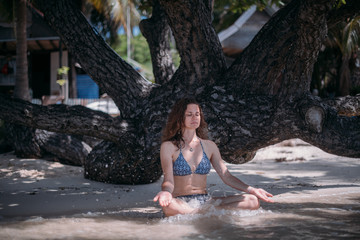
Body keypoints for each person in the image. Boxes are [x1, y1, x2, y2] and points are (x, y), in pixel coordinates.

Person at [153, 98, 274, 217]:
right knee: (168, 205)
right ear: (179, 118)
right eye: (189, 114)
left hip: (205, 201)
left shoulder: (209, 146)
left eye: (197, 114)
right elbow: (168, 180)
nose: (194, 118)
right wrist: (166, 192)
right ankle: (210, 213)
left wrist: (252, 190)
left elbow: (226, 176)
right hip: (180, 201)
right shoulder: (169, 146)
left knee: (252, 200)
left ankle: (199, 213)